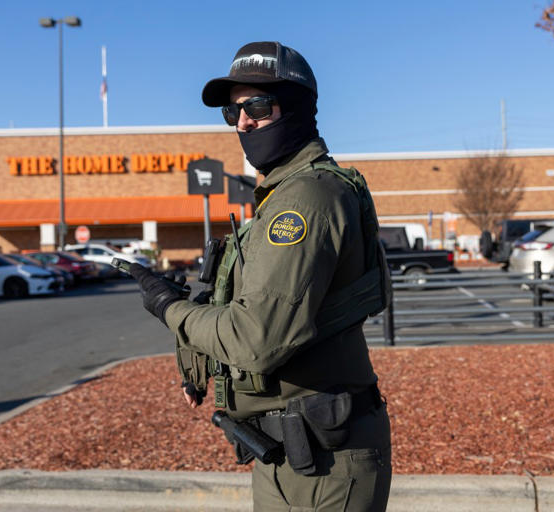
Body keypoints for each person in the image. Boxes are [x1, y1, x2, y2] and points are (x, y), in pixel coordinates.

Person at [129, 41, 392, 511]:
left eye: (256, 106)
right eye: (233, 113)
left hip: (326, 462)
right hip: (284, 452)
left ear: (295, 108)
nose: (243, 122)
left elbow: (256, 338)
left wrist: (171, 310)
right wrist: (198, 365)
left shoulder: (306, 200)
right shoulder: (280, 196)